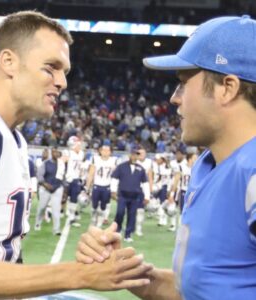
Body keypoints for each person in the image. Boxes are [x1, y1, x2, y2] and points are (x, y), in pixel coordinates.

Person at [0, 11, 152, 298]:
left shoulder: (13, 138)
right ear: (8, 62)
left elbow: (0, 255)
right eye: (51, 67)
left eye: (65, 72)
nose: (62, 82)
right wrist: (81, 273)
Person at [76, 15, 256, 299]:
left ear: (227, 88)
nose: (174, 97)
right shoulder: (207, 164)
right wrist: (124, 271)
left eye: (184, 83)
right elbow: (195, 291)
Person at [111, 144, 150, 242]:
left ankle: (128, 234)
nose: (134, 156)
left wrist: (147, 196)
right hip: (123, 194)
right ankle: (117, 230)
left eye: (136, 155)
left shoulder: (141, 169)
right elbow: (114, 178)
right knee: (120, 212)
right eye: (132, 154)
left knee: (132, 215)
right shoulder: (121, 167)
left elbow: (145, 183)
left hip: (135, 195)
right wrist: (113, 191)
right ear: (129, 155)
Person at [85, 140, 117, 227]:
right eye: (103, 150)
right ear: (100, 151)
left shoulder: (114, 160)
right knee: (94, 205)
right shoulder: (95, 159)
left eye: (107, 151)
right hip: (97, 185)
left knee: (104, 206)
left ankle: (99, 222)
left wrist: (115, 188)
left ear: (110, 152)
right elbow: (91, 173)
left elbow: (116, 176)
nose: (105, 152)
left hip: (107, 186)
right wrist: (87, 187)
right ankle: (93, 219)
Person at [34, 147, 65, 235]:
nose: (56, 154)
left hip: (57, 188)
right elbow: (39, 175)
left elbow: (63, 177)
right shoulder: (46, 163)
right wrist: (45, 184)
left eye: (58, 152)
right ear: (52, 153)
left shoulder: (61, 164)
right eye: (55, 152)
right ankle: (37, 223)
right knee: (42, 207)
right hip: (45, 188)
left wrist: (64, 190)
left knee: (56, 209)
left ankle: (56, 229)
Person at [135, 146, 153, 236]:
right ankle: (130, 227)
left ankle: (138, 228)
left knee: (140, 209)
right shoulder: (134, 162)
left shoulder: (149, 162)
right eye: (139, 153)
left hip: (143, 188)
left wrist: (150, 189)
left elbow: (150, 176)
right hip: (133, 188)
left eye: (142, 153)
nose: (140, 155)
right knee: (131, 209)